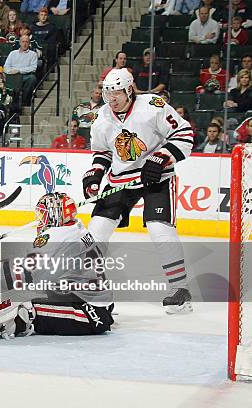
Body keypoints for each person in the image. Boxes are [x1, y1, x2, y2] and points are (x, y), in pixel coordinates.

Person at [83, 68, 194, 314]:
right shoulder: (101, 117)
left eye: (117, 94)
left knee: (159, 228)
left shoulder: (153, 106)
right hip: (121, 179)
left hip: (157, 177)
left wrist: (160, 158)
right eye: (107, 93)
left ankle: (180, 290)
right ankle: (90, 288)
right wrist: (94, 175)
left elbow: (185, 135)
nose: (111, 99)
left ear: (130, 90)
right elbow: (102, 152)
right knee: (96, 231)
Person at [0, 193, 114, 341]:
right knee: (24, 291)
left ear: (54, 215)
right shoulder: (75, 230)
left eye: (42, 215)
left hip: (89, 314)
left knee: (22, 306)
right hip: (89, 303)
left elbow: (25, 273)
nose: (40, 221)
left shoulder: (58, 237)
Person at [4, 35, 38, 106]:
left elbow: (33, 68)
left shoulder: (33, 54)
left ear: (29, 43)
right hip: (12, 76)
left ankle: (24, 102)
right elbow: (6, 66)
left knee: (32, 78)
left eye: (26, 42)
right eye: (23, 42)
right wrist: (9, 71)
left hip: (24, 76)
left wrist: (19, 70)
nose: (24, 44)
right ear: (19, 43)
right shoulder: (13, 53)